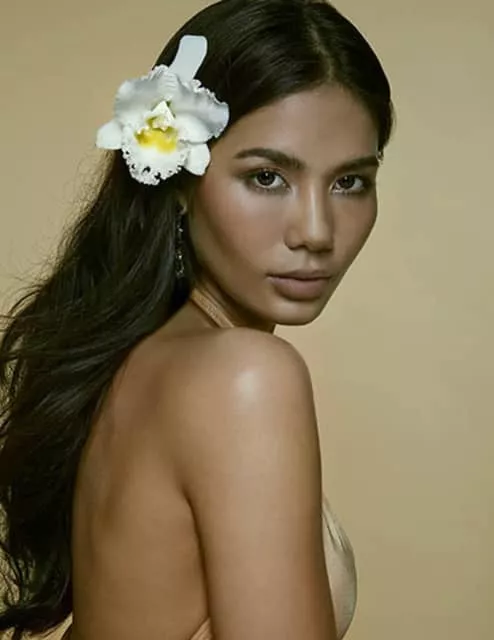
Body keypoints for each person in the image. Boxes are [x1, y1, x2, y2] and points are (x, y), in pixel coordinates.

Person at [0, 0, 394, 638]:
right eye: (267, 177)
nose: (317, 231)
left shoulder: (144, 363)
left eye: (349, 182)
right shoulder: (245, 376)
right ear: (181, 182)